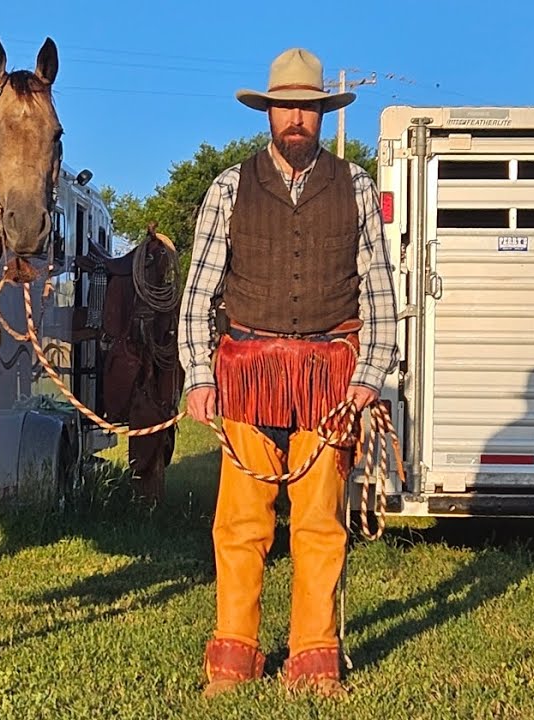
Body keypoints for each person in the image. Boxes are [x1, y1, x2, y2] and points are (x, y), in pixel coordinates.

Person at [177, 47, 398, 699]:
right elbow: (199, 292)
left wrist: (371, 374)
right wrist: (198, 374)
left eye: (307, 107)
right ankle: (234, 658)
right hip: (246, 373)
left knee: (319, 523)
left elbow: (378, 289)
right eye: (285, 108)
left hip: (331, 376)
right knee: (241, 523)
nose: (295, 117)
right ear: (268, 114)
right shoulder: (227, 186)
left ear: (324, 115)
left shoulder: (355, 185)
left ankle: (313, 658)